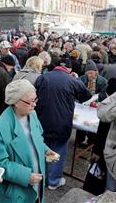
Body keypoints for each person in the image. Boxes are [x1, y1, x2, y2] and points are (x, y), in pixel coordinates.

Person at [0, 80, 58, 203]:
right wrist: (26, 176)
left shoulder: (32, 115)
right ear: (15, 102)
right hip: (15, 192)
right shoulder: (0, 128)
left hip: (36, 182)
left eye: (35, 100)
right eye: (29, 101)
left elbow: (38, 140)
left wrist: (45, 151)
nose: (34, 104)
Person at [35, 59, 91, 190]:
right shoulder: (73, 81)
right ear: (70, 70)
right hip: (62, 123)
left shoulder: (43, 77)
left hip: (42, 121)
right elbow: (86, 97)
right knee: (58, 151)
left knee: (43, 149)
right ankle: (53, 182)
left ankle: (41, 178)